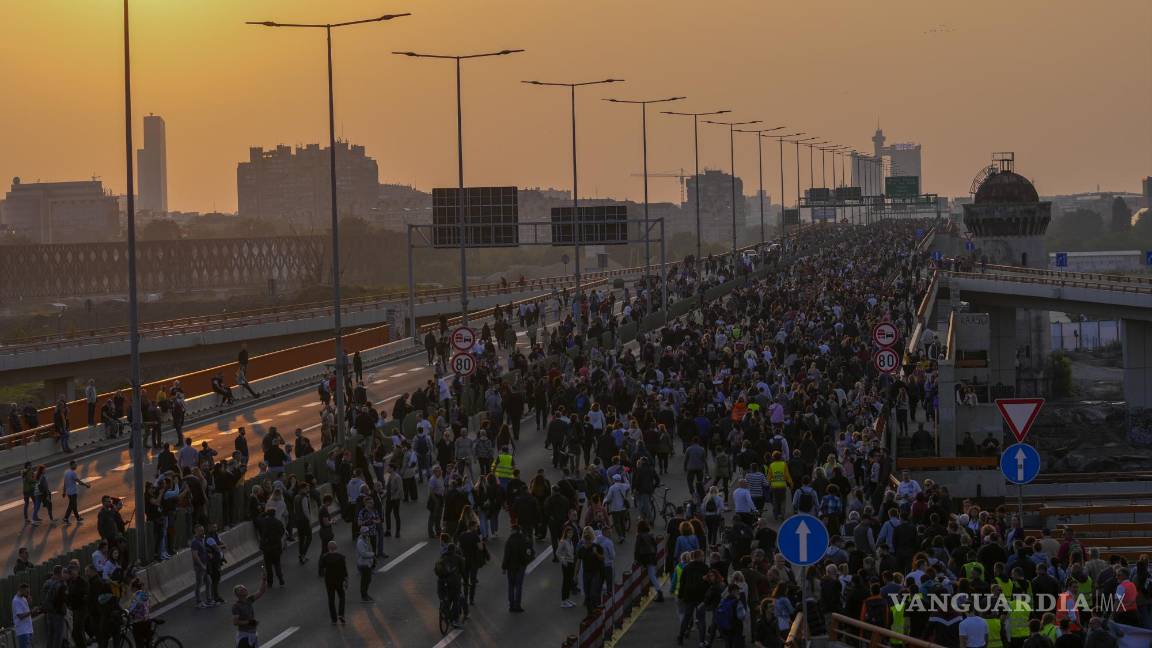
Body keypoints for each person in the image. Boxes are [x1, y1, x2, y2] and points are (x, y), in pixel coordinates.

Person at [502, 524, 534, 612]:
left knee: (511, 586)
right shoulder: (524, 540)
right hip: (521, 566)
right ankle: (518, 605)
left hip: (511, 567)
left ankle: (511, 605)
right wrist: (526, 562)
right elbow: (530, 552)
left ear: (513, 531)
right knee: (519, 586)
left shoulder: (509, 541)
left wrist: (504, 567)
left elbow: (506, 555)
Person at [232, 579, 268, 648]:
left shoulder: (249, 600)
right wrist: (249, 622)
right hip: (244, 636)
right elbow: (235, 622)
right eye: (240, 589)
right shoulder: (236, 606)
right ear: (237, 594)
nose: (243, 589)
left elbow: (261, 591)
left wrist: (263, 580)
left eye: (244, 588)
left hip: (253, 634)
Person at [318, 541, 348, 624]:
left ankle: (334, 619)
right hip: (339, 580)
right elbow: (344, 570)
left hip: (329, 581)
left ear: (328, 548)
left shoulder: (325, 557)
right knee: (342, 597)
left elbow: (321, 566)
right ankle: (341, 614)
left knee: (331, 599)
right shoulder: (341, 557)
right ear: (336, 548)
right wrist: (346, 580)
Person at [61, 459, 92, 524]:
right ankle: (66, 518)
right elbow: (79, 481)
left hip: (69, 492)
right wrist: (86, 485)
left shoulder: (66, 472)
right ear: (71, 465)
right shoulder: (73, 473)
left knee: (73, 505)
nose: (76, 466)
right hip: (73, 492)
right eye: (75, 465)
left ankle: (77, 517)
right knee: (72, 505)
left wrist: (64, 492)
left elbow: (65, 483)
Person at [356, 526, 376, 602]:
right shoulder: (360, 542)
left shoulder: (365, 539)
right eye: (366, 532)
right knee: (365, 580)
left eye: (367, 532)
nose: (367, 533)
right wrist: (372, 554)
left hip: (367, 563)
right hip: (363, 564)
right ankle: (364, 595)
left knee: (368, 579)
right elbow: (363, 554)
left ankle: (365, 594)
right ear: (362, 533)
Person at [11, 582, 34, 648]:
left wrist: (29, 602)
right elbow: (20, 616)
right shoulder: (16, 601)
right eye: (27, 592)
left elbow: (25, 610)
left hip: (28, 629)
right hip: (23, 631)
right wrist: (31, 612)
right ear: (22, 590)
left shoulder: (23, 598)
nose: (28, 594)